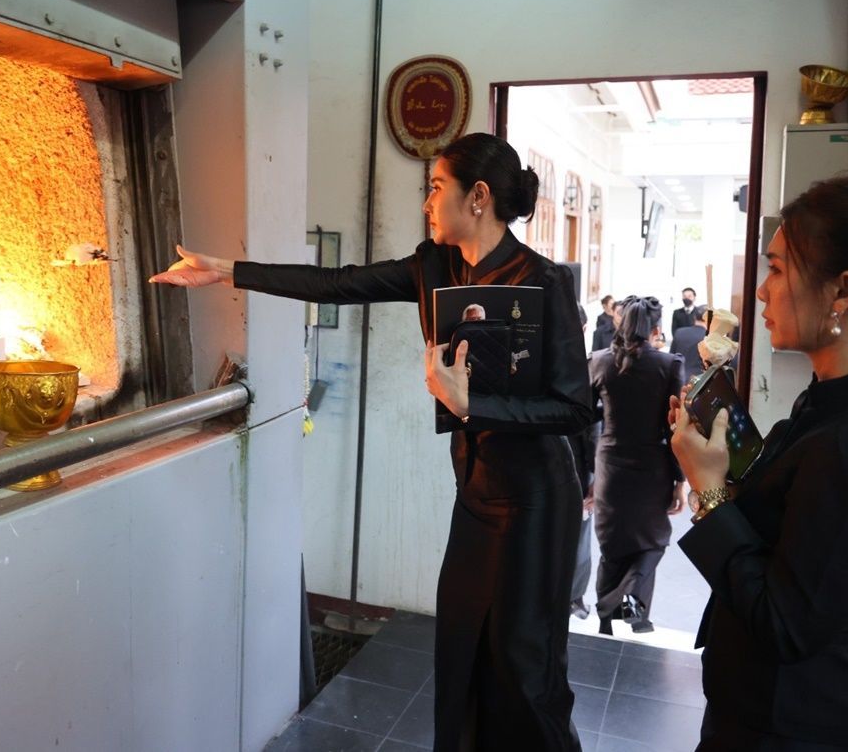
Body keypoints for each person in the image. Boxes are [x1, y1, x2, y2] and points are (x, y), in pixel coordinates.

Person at [151, 132, 593, 750]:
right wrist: (226, 271)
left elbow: (574, 408)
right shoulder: (435, 267)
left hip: (539, 502)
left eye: (436, 187)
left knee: (526, 672)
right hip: (477, 496)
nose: (427, 202)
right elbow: (336, 283)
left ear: (478, 197)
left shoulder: (543, 279)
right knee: (462, 657)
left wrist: (472, 405)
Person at [671, 176, 848, 749]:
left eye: (778, 269)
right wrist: (727, 465)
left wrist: (708, 490)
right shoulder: (843, 396)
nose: (761, 292)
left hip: (800, 727)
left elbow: (786, 625)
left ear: (843, 291)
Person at [589, 295, 685, 634]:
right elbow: (674, 427)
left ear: (620, 323)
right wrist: (680, 480)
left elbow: (584, 421)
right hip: (652, 466)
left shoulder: (598, 362)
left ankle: (607, 622)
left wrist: (588, 474)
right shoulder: (668, 365)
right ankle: (629, 603)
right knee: (652, 541)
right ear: (656, 329)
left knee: (612, 548)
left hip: (610, 465)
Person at [569, 303, 598, 621]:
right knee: (578, 531)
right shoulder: (588, 366)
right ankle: (573, 597)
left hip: (570, 460)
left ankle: (570, 595)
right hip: (578, 463)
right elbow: (595, 428)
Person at [669, 305, 708, 383]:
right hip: (699, 382)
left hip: (677, 379)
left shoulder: (679, 332)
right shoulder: (709, 338)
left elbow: (671, 357)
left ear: (694, 317)